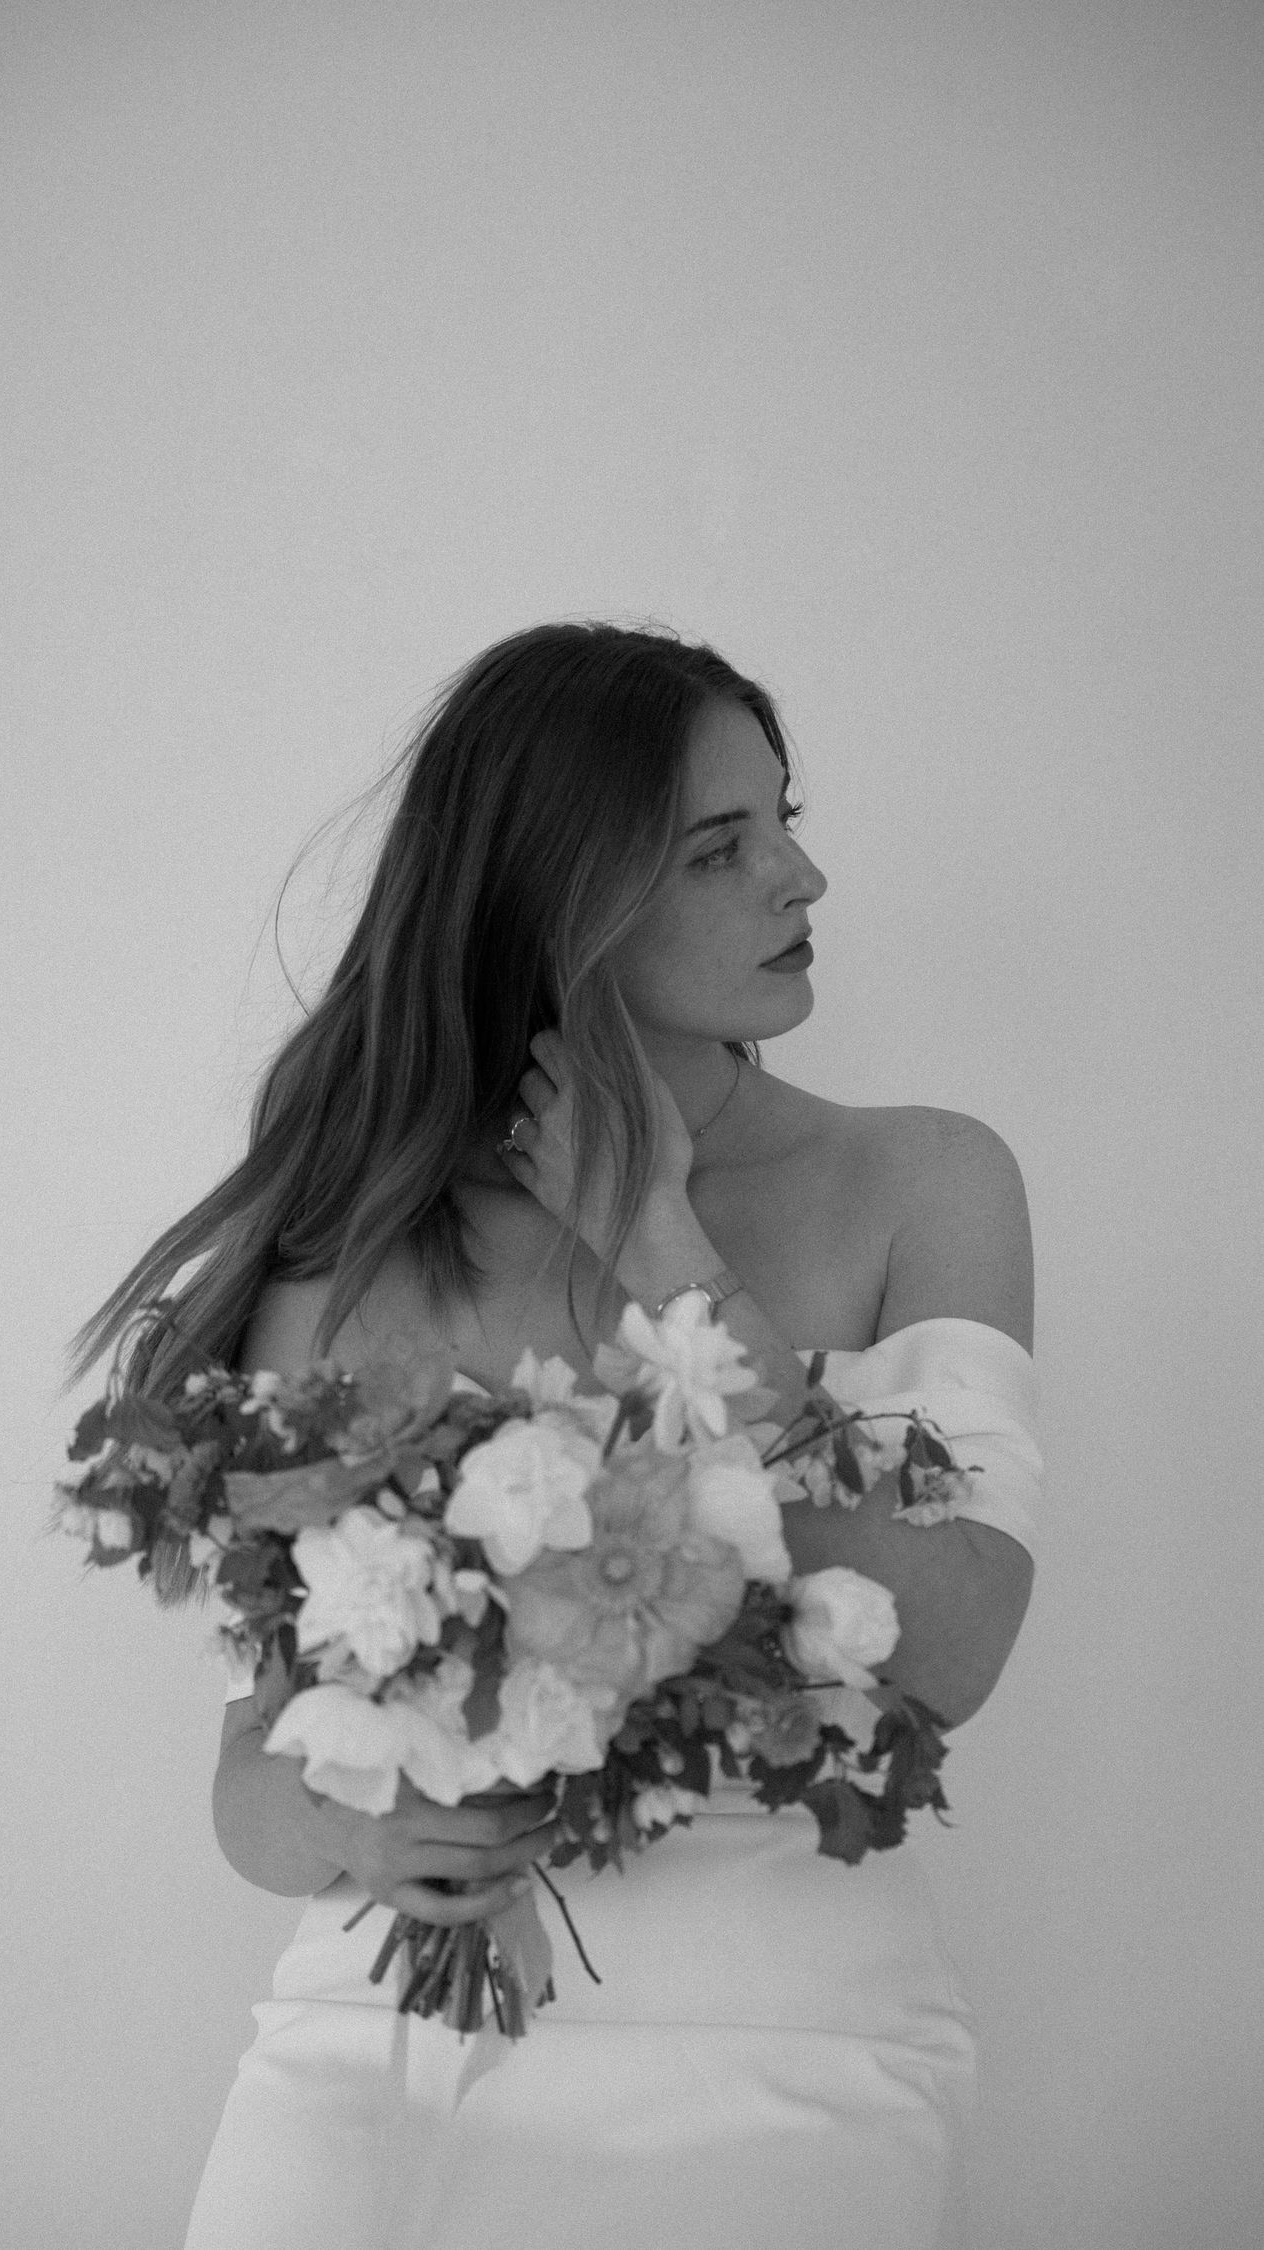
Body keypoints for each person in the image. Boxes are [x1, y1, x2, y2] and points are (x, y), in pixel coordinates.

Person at [68, 620, 1042, 2249]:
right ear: (559, 901)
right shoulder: (351, 1239)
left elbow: (952, 1651)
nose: (802, 877)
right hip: (385, 2040)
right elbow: (255, 1766)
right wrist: (355, 1821)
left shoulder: (926, 1181)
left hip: (792, 2039)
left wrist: (664, 1243)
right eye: (719, 848)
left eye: (784, 819)